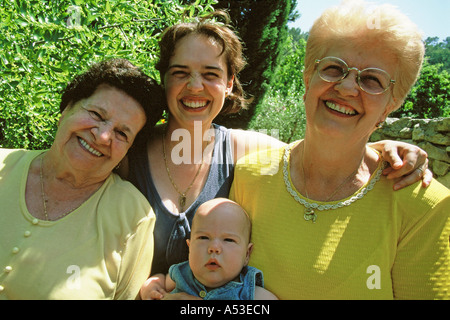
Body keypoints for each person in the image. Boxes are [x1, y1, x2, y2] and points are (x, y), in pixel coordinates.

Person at [130, 10, 432, 297]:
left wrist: (381, 150)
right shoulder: (128, 153)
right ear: (164, 78)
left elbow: (323, 150)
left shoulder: (248, 150)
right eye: (180, 72)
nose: (195, 86)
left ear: (229, 83)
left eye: (211, 74)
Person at [229, 0, 450, 300]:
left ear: (390, 105)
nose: (347, 88)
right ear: (308, 78)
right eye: (334, 68)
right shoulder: (249, 177)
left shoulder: (422, 205)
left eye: (372, 79)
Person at [0, 58, 164, 299]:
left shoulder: (133, 217)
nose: (103, 136)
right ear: (66, 109)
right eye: (97, 114)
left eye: (122, 133)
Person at [141, 198, 277, 300]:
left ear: (247, 254)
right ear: (190, 248)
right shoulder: (181, 274)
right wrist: (151, 289)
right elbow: (161, 280)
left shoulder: (249, 291)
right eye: (203, 238)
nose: (214, 248)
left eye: (228, 240)